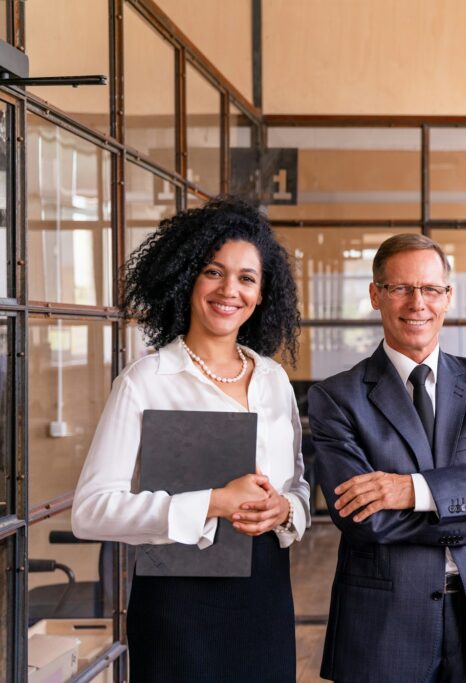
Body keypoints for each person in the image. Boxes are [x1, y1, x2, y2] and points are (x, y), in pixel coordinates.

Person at [72, 196, 310, 682]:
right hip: (176, 603)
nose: (230, 290)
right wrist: (214, 503)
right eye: (213, 272)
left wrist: (287, 510)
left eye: (247, 278)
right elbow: (91, 510)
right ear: (187, 279)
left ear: (262, 293)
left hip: (265, 596)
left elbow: (299, 486)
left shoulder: (273, 380)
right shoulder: (146, 380)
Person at [308, 233, 466, 683]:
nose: (418, 303)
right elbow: (363, 519)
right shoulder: (336, 398)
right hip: (384, 624)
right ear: (376, 295)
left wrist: (410, 490)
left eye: (431, 289)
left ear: (447, 297)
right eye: (401, 288)